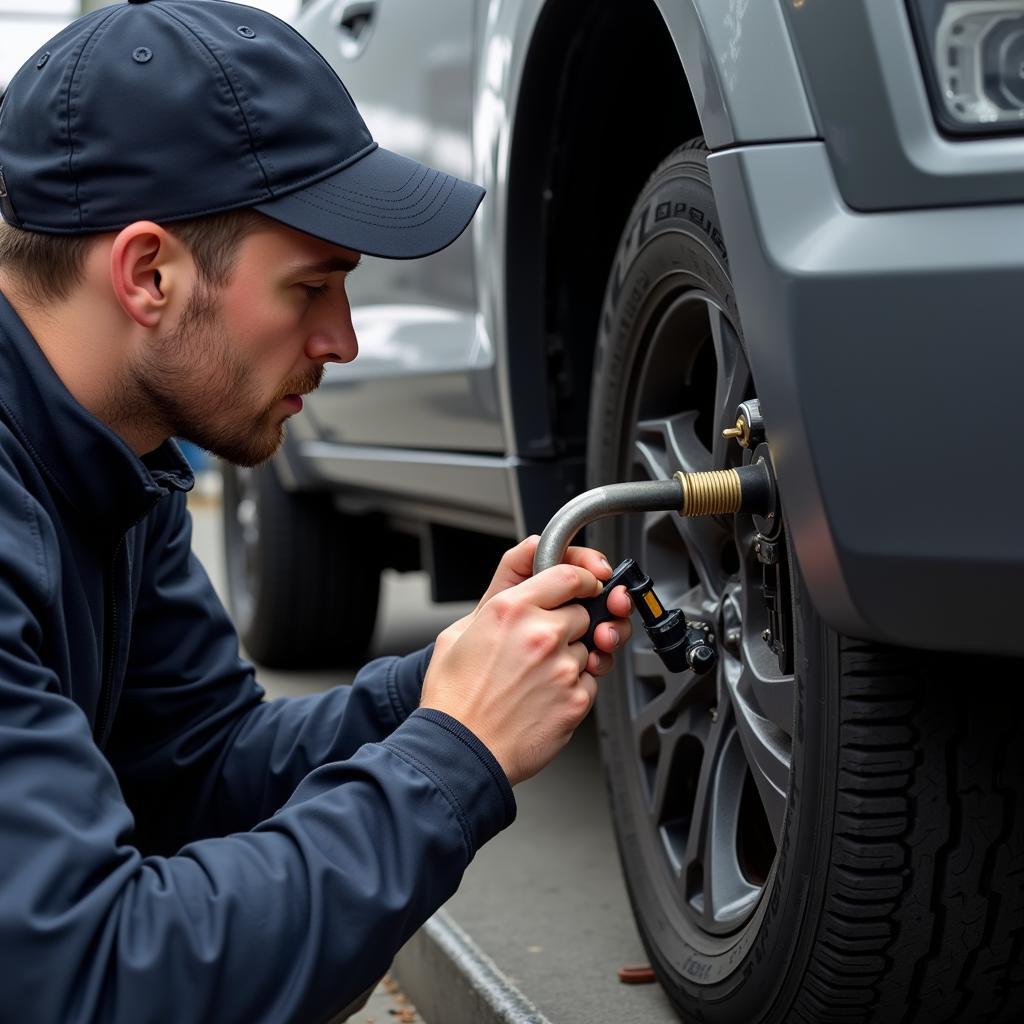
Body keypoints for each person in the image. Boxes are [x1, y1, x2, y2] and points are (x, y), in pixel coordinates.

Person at [0, 2, 634, 1021]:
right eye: (312, 285)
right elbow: (89, 980)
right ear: (148, 272)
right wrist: (455, 752)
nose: (343, 339)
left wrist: (434, 687)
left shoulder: (119, 458)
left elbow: (194, 776)